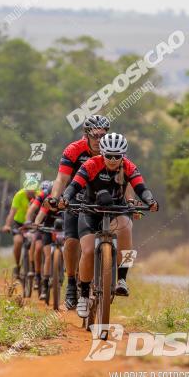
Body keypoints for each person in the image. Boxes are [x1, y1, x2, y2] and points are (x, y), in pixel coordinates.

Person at [60, 132, 158, 318]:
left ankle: (122, 278)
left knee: (127, 229)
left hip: (116, 209)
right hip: (90, 210)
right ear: (102, 153)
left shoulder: (128, 167)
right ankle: (85, 294)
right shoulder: (90, 165)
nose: (113, 160)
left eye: (117, 156)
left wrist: (150, 200)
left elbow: (141, 188)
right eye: (109, 156)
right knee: (88, 251)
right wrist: (65, 198)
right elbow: (74, 185)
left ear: (123, 156)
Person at [45, 114, 111, 309]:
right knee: (72, 239)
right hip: (75, 196)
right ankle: (72, 282)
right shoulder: (74, 150)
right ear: (87, 134)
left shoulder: (112, 148)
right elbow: (61, 179)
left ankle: (109, 271)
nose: (100, 140)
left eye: (103, 134)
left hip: (102, 197)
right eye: (96, 135)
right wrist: (56, 198)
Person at [1, 179, 40, 278]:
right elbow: (12, 213)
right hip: (19, 223)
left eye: (33, 190)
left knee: (38, 244)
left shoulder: (39, 195)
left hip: (34, 223)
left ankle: (38, 269)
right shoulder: (19, 195)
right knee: (18, 242)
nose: (31, 192)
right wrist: (7, 225)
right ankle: (17, 265)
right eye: (28, 190)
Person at [32, 181, 62, 301]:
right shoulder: (48, 201)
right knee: (48, 256)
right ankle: (44, 286)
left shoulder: (66, 200)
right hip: (48, 229)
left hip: (62, 231)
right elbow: (40, 215)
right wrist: (36, 224)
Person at [25, 180, 53, 292]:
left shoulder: (59, 198)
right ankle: (36, 273)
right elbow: (31, 212)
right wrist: (29, 223)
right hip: (40, 226)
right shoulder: (38, 199)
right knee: (37, 247)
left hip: (53, 226)